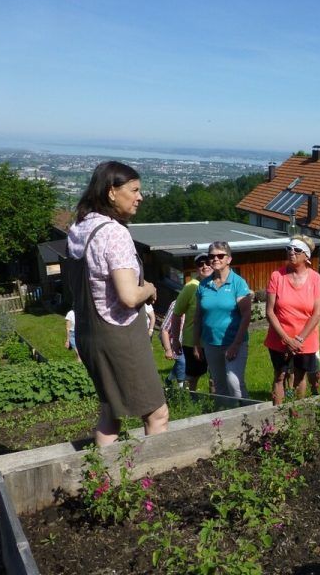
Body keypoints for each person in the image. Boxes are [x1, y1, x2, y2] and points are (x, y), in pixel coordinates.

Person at [66, 161, 169, 447]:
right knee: (157, 414)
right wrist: (148, 288)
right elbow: (128, 296)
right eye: (134, 190)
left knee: (111, 413)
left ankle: (103, 474)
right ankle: (154, 471)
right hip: (118, 335)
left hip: (89, 332)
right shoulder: (114, 233)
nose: (140, 197)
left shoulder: (79, 227)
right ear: (112, 192)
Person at [264, 236, 320, 405]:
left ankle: (296, 414)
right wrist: (286, 339)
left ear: (306, 255)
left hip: (305, 340)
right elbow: (270, 312)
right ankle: (277, 414)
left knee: (300, 376)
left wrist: (299, 339)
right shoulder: (277, 276)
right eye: (288, 249)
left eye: (297, 250)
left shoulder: (315, 278)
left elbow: (317, 312)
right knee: (280, 375)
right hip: (279, 338)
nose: (291, 252)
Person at [194, 241, 253, 399]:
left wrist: (236, 344)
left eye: (220, 255)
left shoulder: (238, 283)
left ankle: (247, 411)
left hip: (234, 342)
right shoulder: (203, 285)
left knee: (234, 382)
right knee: (219, 385)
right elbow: (198, 316)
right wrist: (196, 343)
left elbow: (246, 315)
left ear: (229, 259)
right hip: (210, 343)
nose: (215, 259)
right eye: (212, 256)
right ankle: (223, 414)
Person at [171, 253, 214, 392]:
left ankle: (216, 402)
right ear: (196, 269)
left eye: (207, 263)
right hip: (193, 342)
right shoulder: (191, 287)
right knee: (193, 377)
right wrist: (175, 340)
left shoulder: (218, 284)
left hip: (215, 340)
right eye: (200, 264)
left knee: (215, 378)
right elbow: (177, 314)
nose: (205, 266)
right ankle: (191, 401)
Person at [160, 299, 186, 387]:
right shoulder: (177, 304)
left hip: (185, 341)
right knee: (182, 362)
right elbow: (164, 329)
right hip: (171, 340)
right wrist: (168, 349)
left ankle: (169, 380)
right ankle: (182, 389)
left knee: (181, 362)